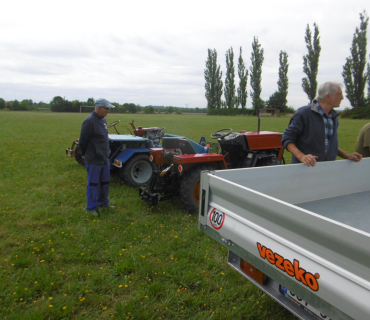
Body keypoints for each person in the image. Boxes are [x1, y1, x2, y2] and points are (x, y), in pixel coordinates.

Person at [282, 82, 362, 167]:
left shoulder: (333, 117)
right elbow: (287, 138)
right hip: (304, 169)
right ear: (328, 96)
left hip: (326, 170)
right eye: (339, 94)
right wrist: (302, 156)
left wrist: (346, 155)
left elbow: (328, 144)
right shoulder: (304, 113)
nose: (342, 98)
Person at [79, 98, 116, 214]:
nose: (108, 111)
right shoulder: (89, 121)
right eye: (107, 108)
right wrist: (86, 155)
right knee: (94, 184)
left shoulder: (103, 120)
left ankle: (103, 202)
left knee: (105, 182)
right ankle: (91, 208)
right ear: (99, 108)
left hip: (104, 158)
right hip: (94, 159)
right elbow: (82, 142)